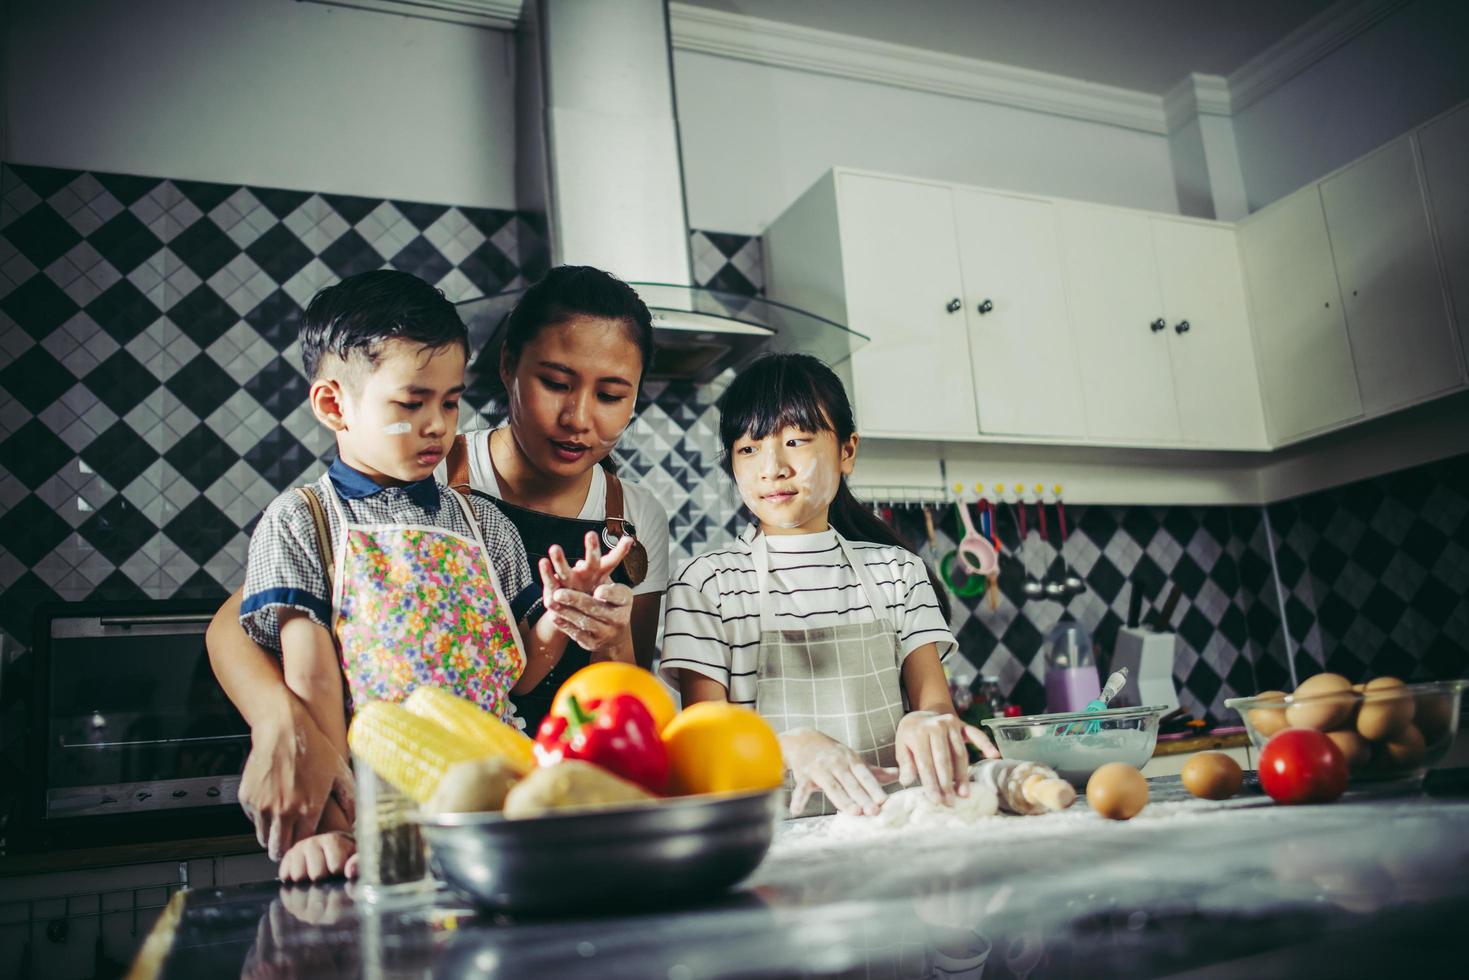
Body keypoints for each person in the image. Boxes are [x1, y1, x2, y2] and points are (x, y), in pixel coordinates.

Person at [206, 266, 669, 861]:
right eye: (555, 382)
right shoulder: (413, 471)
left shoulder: (628, 513)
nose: (579, 418)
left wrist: (587, 624)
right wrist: (283, 726)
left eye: (611, 396)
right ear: (507, 369)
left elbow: (622, 684)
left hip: (545, 795)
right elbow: (245, 624)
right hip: (386, 786)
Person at [659, 353, 997, 817]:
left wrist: (928, 723)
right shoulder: (707, 583)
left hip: (894, 826)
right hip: (769, 842)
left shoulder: (897, 572)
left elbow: (936, 707)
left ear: (847, 451)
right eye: (748, 448)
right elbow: (703, 743)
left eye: (796, 441)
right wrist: (786, 747)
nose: (772, 467)